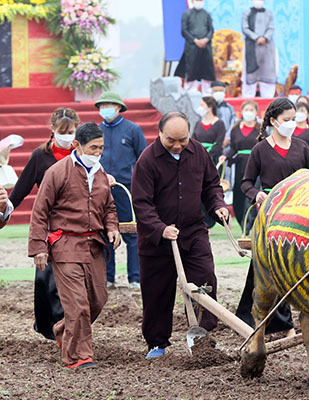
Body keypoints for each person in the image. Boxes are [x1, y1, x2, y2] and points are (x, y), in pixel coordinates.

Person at [132, 111, 229, 359]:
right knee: (156, 291)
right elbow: (142, 203)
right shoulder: (147, 160)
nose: (177, 145)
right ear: (160, 134)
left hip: (193, 231)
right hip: (157, 238)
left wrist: (217, 205)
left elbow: (211, 185)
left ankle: (203, 336)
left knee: (205, 281)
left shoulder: (198, 152)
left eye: (183, 140)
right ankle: (157, 343)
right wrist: (160, 228)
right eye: (171, 140)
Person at [28, 122, 120, 369]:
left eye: (101, 148)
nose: (98, 153)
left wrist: (112, 227)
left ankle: (62, 329)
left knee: (98, 299)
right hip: (65, 244)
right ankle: (78, 356)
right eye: (93, 147)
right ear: (78, 145)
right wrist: (38, 247)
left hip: (94, 245)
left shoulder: (100, 173)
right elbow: (40, 210)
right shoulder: (57, 172)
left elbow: (109, 207)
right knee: (77, 305)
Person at [236, 98, 309, 336]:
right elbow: (246, 183)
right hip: (272, 215)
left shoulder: (302, 147)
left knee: (296, 265)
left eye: (294, 119)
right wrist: (257, 195)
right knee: (267, 266)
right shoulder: (260, 149)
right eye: (287, 120)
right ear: (273, 121)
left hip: (300, 214)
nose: (292, 124)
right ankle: (262, 318)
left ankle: (299, 319)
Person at [8, 108, 80, 340]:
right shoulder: (40, 157)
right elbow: (21, 190)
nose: (68, 136)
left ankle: (68, 327)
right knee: (46, 280)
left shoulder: (81, 155)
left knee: (74, 281)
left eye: (72, 131)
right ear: (52, 130)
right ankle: (50, 325)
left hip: (78, 225)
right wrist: (4, 210)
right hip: (50, 225)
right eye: (63, 131)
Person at [95, 92, 147, 290]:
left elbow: (143, 159)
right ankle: (108, 277)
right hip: (101, 188)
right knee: (105, 231)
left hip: (125, 188)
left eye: (109, 105)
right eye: (102, 106)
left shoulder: (132, 130)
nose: (105, 109)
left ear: (118, 108)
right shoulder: (97, 130)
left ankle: (135, 277)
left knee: (131, 232)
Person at [218, 100, 260, 231]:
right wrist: (226, 156)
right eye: (246, 110)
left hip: (256, 165)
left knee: (252, 194)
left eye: (251, 110)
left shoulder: (261, 128)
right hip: (240, 165)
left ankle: (250, 226)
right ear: (241, 112)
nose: (249, 113)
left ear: (256, 112)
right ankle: (242, 225)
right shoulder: (236, 129)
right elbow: (233, 149)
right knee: (239, 195)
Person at [174, 0, 216, 94]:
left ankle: (207, 92)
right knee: (191, 69)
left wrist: (206, 39)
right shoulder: (187, 14)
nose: (199, 2)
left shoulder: (206, 14)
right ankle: (189, 92)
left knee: (207, 69)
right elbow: (184, 30)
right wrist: (195, 40)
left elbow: (211, 30)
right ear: (192, 1)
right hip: (192, 46)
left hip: (206, 46)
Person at [241, 0, 276, 98]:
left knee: (267, 74)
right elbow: (245, 28)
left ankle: (268, 101)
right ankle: (248, 101)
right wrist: (256, 37)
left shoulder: (268, 13)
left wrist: (264, 38)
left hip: (267, 47)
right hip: (251, 47)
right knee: (250, 76)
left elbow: (271, 28)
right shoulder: (247, 13)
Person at [192, 96, 226, 165]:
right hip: (198, 158)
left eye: (202, 105)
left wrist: (207, 154)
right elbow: (193, 140)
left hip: (213, 158)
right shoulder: (198, 123)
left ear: (210, 107)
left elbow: (218, 143)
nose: (200, 108)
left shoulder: (219, 123)